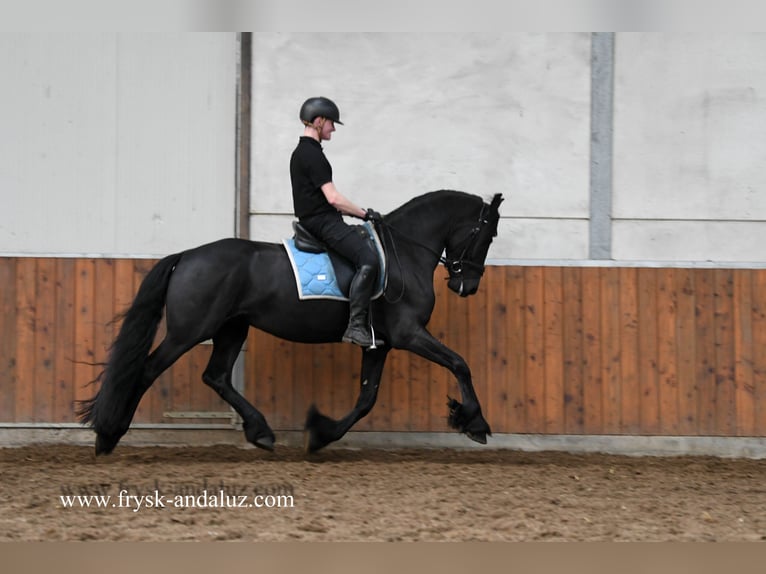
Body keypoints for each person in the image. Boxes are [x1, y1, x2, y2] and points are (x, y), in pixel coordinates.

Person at [290, 97, 382, 347]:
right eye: (331, 123)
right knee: (369, 260)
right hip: (323, 223)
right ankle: (356, 327)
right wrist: (365, 214)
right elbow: (333, 198)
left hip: (315, 220)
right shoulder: (312, 155)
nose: (333, 128)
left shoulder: (303, 152)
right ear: (319, 121)